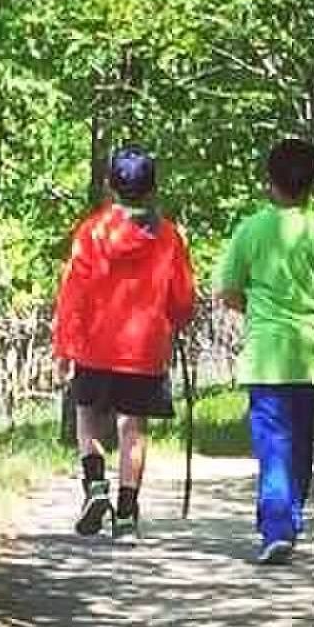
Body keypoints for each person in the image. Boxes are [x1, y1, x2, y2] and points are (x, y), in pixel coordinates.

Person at [216, 138, 314, 565]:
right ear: (313, 182)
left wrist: (256, 308)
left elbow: (227, 292)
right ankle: (290, 520)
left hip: (265, 354)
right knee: (299, 442)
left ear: (270, 181)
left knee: (273, 444)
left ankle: (278, 528)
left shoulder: (251, 229)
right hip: (312, 353)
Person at [53, 146, 195, 542]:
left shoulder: (92, 232)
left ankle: (95, 487)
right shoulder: (167, 236)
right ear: (153, 189)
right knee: (133, 426)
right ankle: (128, 514)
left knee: (87, 416)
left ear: (109, 186)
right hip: (144, 348)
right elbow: (183, 297)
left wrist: (64, 346)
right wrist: (175, 323)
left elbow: (72, 294)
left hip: (95, 344)